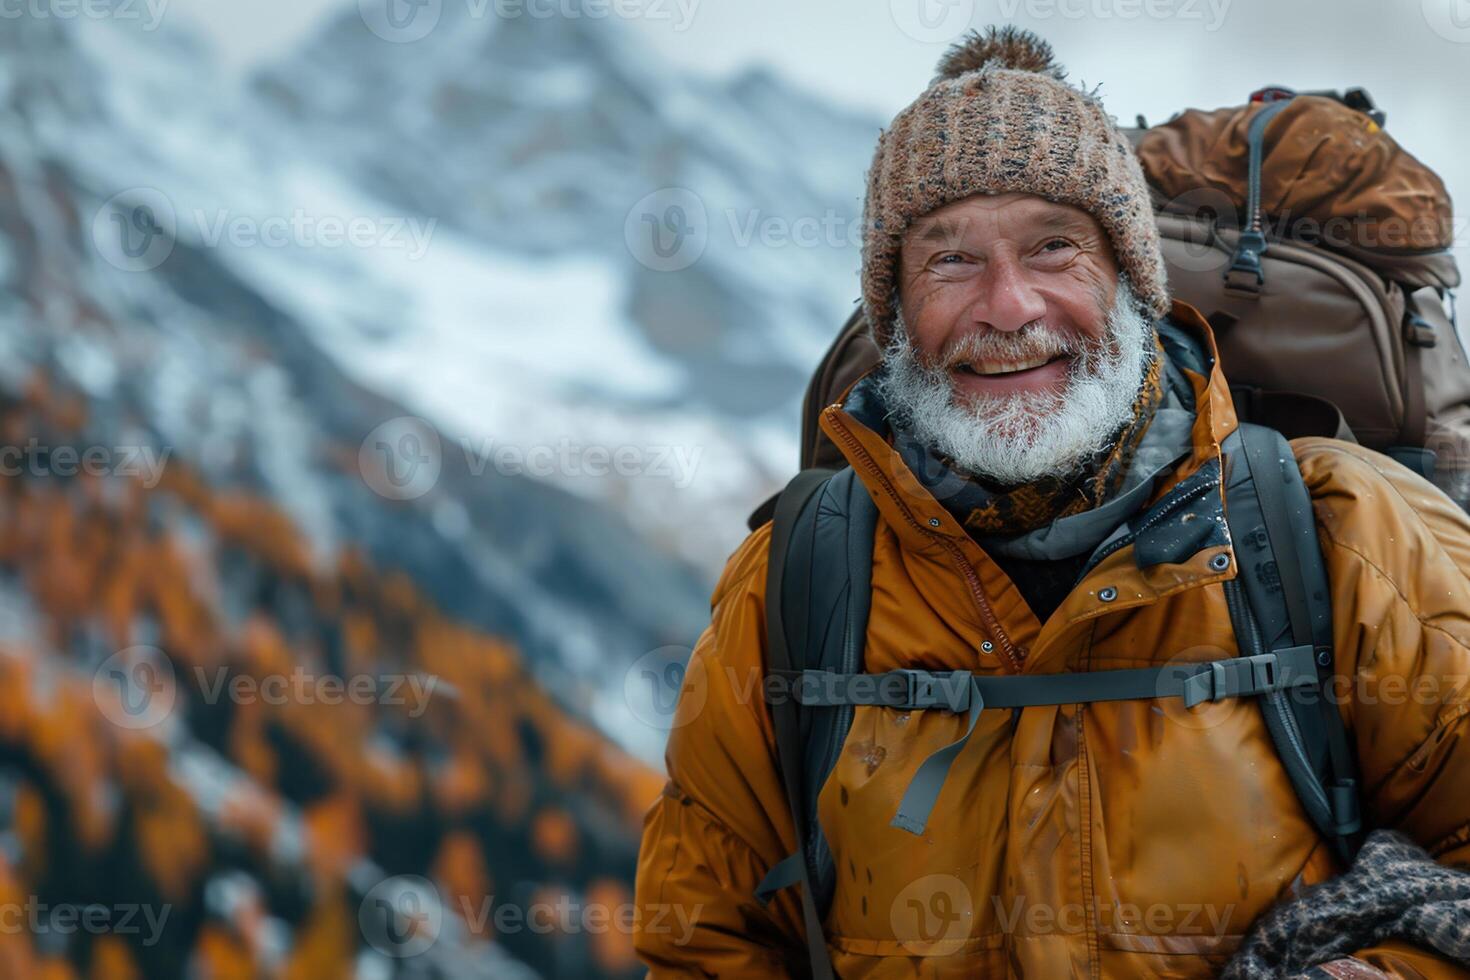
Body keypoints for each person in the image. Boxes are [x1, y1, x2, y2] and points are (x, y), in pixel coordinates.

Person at [634, 27, 1470, 978]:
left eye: (1054, 248)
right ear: (894, 311)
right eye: (949, 261)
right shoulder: (797, 578)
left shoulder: (1344, 530)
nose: (1009, 306)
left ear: (1131, 278)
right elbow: (704, 939)